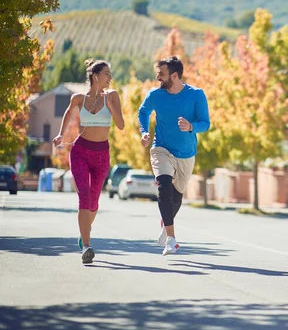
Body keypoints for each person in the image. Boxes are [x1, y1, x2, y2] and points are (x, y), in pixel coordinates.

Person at [53, 59, 125, 264]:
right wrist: (60, 135)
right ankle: (87, 245)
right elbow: (68, 115)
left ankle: (84, 231)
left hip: (102, 154)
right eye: (106, 74)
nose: (110, 78)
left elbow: (121, 125)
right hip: (80, 152)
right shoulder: (79, 99)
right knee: (84, 197)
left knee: (94, 202)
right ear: (96, 76)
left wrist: (110, 105)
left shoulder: (112, 96)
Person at [138, 56, 210, 255]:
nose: (157, 77)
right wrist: (144, 131)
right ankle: (171, 239)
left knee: (176, 199)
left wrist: (191, 127)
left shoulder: (196, 95)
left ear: (175, 75)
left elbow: (206, 123)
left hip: (186, 153)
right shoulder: (155, 95)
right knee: (164, 188)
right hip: (161, 147)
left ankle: (164, 228)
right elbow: (143, 112)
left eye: (161, 74)